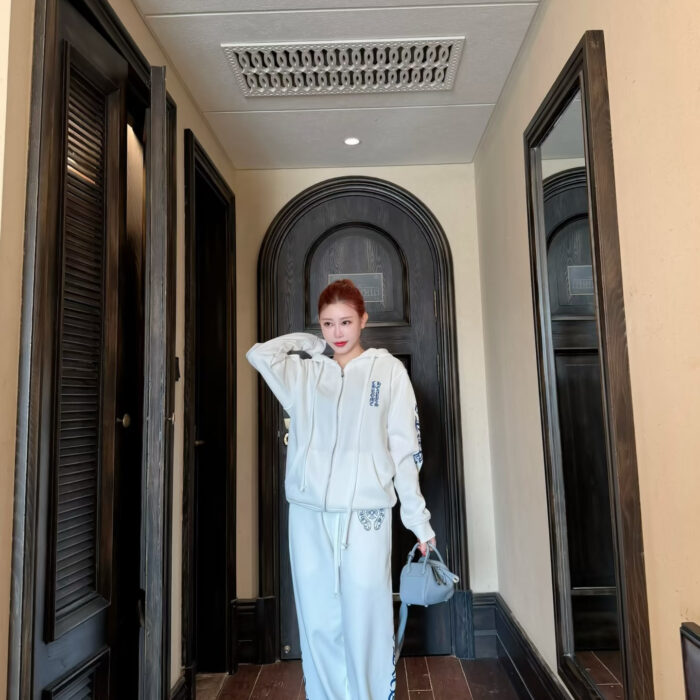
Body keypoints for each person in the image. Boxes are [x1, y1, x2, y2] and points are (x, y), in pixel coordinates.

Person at [247, 278, 436, 700]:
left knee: (366, 614)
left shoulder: (388, 371)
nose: (337, 332)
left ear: (364, 320)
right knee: (318, 618)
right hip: (309, 515)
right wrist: (309, 344)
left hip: (366, 515)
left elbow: (405, 451)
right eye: (328, 323)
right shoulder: (306, 373)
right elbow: (259, 355)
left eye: (346, 321)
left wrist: (418, 521)